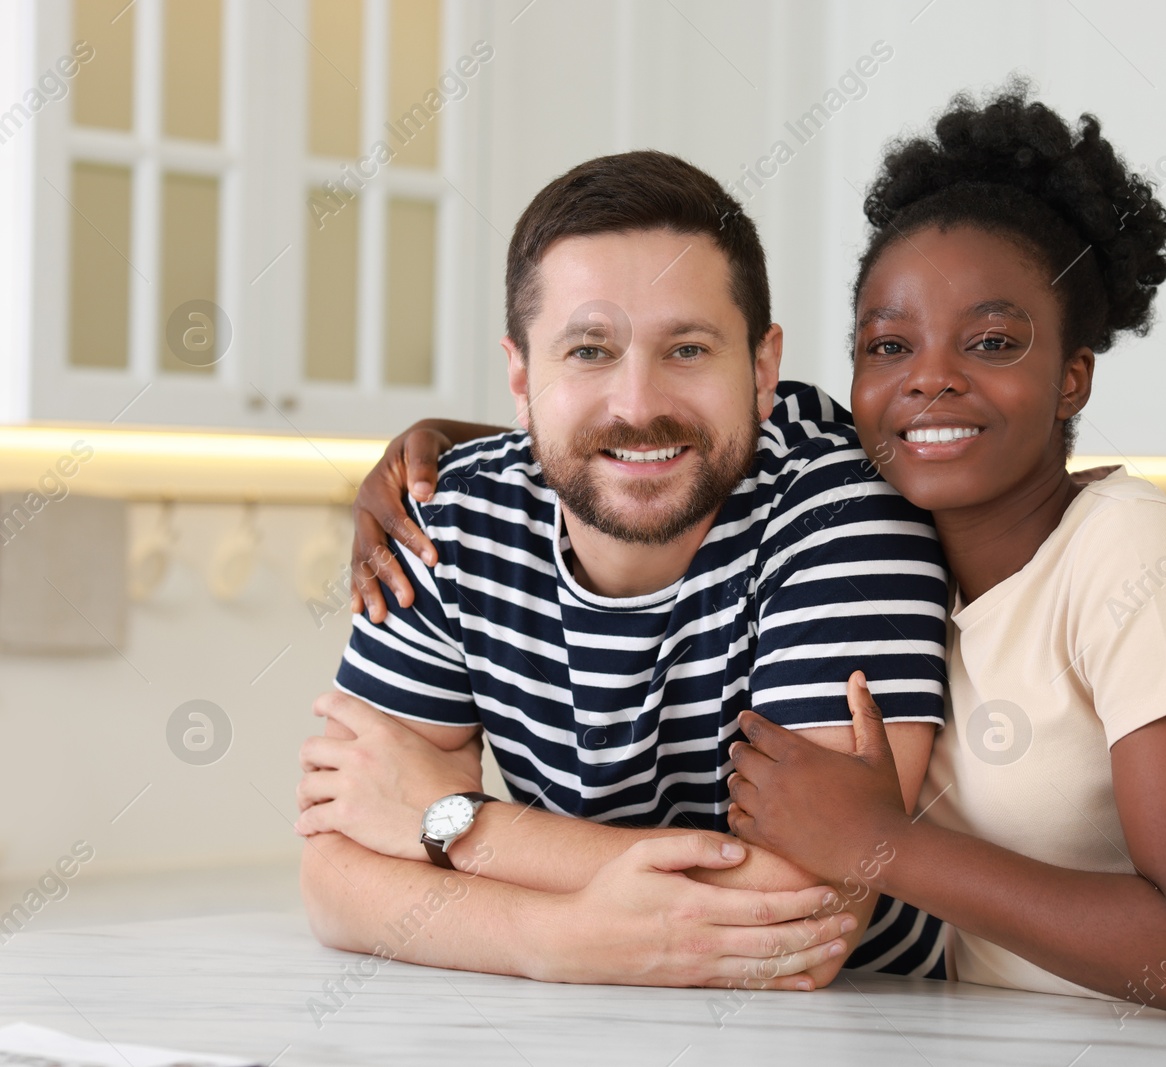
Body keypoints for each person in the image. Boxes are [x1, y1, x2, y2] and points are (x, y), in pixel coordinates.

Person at [342, 82, 1166, 1026]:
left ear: (1073, 376)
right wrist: (459, 441)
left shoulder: (1135, 557)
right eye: (887, 347)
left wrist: (883, 845)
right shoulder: (893, 513)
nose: (929, 381)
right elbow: (669, 424)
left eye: (991, 343)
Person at [294, 149, 952, 990]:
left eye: (686, 349)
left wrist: (448, 824)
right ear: (521, 377)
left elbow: (806, 899)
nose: (638, 406)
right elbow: (334, 875)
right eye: (590, 351)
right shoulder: (449, 516)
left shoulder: (842, 511)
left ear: (760, 368)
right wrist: (548, 939)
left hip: (859, 1024)